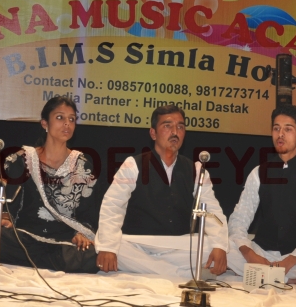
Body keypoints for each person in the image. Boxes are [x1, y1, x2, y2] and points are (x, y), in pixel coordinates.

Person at [95, 105, 228, 279]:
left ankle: (154, 269)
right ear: (153, 133)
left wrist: (220, 246)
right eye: (167, 126)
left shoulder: (196, 170)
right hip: (140, 244)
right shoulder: (133, 165)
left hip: (178, 245)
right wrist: (107, 247)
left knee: (222, 246)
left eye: (180, 127)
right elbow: (112, 206)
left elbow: (212, 210)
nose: (175, 132)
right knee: (114, 245)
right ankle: (180, 273)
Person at [0, 96, 99, 272]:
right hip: (26, 236)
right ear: (45, 123)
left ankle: (31, 260)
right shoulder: (23, 159)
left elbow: (88, 213)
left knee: (92, 253)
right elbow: (11, 203)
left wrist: (81, 234)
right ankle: (50, 261)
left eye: (71, 119)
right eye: (60, 117)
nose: (67, 124)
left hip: (64, 241)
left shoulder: (83, 166)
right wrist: (6, 219)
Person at [227, 105, 296, 282]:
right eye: (276, 128)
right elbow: (239, 219)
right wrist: (250, 254)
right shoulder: (259, 172)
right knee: (222, 247)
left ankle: (266, 276)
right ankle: (290, 280)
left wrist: (290, 260)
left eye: (288, 129)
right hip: (261, 254)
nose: (280, 134)